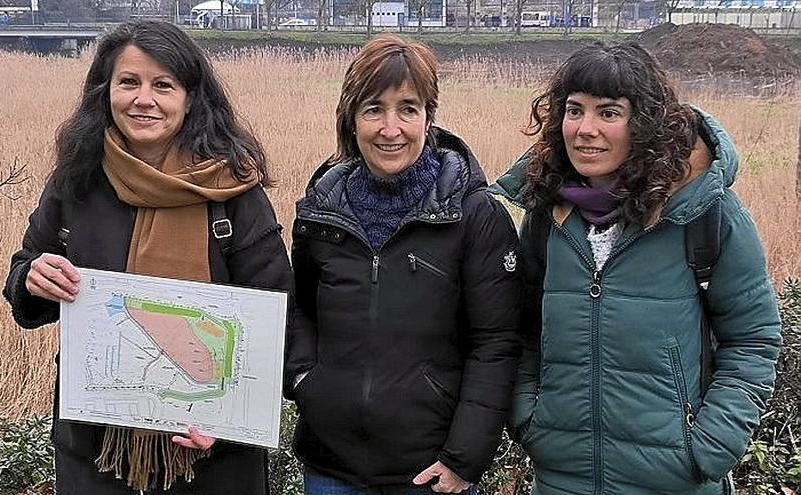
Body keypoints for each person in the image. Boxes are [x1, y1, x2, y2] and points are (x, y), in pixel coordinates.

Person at [2, 20, 291, 495]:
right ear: (106, 90)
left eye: (163, 85)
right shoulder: (77, 181)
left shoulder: (232, 191)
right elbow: (26, 276)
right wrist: (32, 279)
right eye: (129, 82)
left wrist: (232, 416)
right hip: (96, 449)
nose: (144, 99)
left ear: (191, 98)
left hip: (212, 455)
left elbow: (275, 309)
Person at [488, 41, 782, 495]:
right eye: (574, 110)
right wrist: (531, 418)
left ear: (644, 123)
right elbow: (523, 327)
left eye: (609, 113)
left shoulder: (703, 213)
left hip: (675, 480)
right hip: (563, 477)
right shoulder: (547, 215)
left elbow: (753, 339)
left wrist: (708, 447)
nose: (585, 130)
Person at [285, 34, 523, 495]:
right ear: (351, 119)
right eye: (374, 109)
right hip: (329, 469)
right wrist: (306, 380)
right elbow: (302, 309)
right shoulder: (320, 212)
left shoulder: (474, 216)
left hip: (429, 473)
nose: (390, 128)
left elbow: (496, 344)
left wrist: (463, 459)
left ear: (428, 118)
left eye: (408, 109)